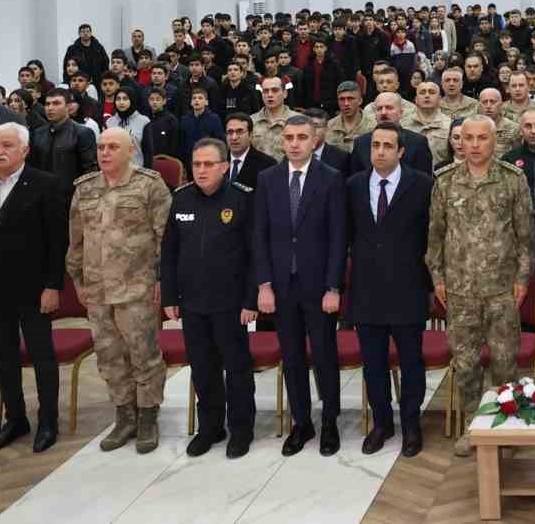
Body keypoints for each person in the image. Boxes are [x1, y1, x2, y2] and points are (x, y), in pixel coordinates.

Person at [426, 114, 534, 458]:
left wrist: (521, 279)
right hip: (459, 291)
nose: (473, 145)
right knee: (467, 364)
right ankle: (474, 426)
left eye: (481, 138)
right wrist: (438, 278)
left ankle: (505, 425)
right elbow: (435, 237)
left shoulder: (513, 180)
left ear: (494, 140)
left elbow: (525, 237)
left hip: (502, 290)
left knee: (504, 362)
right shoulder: (444, 181)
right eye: (467, 138)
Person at [0, 123, 66, 452]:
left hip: (33, 288)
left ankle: (48, 421)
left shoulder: (45, 185)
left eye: (7, 145)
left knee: (41, 357)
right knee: (3, 357)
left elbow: (56, 241)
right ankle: (15, 418)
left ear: (24, 150)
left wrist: (53, 285)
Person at [67, 128, 172, 453]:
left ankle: (147, 416)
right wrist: (78, 281)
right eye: (100, 147)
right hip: (97, 290)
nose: (105, 152)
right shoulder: (85, 188)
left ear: (131, 151)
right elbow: (76, 240)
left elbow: (165, 240)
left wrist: (161, 282)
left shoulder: (149, 185)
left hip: (136, 287)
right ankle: (124, 414)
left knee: (143, 354)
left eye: (113, 146)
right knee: (109, 356)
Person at [253, 115, 347, 455]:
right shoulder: (268, 179)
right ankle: (302, 422)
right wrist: (263, 284)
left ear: (314, 139)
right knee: (292, 357)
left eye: (302, 137)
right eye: (289, 137)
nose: (294, 143)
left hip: (319, 286)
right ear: (281, 141)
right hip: (281, 286)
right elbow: (259, 235)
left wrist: (333, 287)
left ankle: (330, 422)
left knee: (324, 355)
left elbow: (338, 238)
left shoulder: (331, 179)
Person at [161, 138, 258, 459]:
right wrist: (170, 295)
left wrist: (250, 300)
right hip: (193, 302)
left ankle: (241, 429)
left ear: (225, 167)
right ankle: (211, 427)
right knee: (203, 369)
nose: (201, 170)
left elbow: (253, 255)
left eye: (208, 164)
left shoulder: (242, 199)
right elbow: (170, 252)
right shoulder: (181, 199)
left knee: (237, 369)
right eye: (197, 164)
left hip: (230, 303)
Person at [345, 123, 434, 457]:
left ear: (400, 152)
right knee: (373, 364)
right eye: (375, 145)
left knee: (412, 362)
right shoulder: (353, 185)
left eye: (387, 146)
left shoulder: (423, 185)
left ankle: (411, 424)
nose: (379, 151)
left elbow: (430, 238)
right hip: (367, 290)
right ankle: (382, 423)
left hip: (407, 288)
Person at [30, 88, 98, 197]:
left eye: (56, 103)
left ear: (67, 106)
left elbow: (90, 171)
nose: (50, 108)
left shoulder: (82, 133)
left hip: (71, 198)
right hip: (42, 197)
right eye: (47, 104)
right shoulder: (37, 133)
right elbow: (33, 167)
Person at [345, 92, 433, 177]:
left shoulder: (418, 143)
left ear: (401, 113)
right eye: (379, 109)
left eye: (389, 108)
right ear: (374, 114)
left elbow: (424, 183)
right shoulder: (361, 143)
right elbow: (355, 181)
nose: (383, 112)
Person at [224, 111, 274, 190]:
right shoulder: (218, 161)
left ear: (250, 135)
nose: (234, 137)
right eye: (230, 132)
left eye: (239, 132)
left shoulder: (267, 165)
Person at [249, 76, 292, 160]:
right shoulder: (251, 121)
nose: (270, 95)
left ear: (285, 93)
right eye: (265, 91)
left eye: (275, 90)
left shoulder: (297, 120)